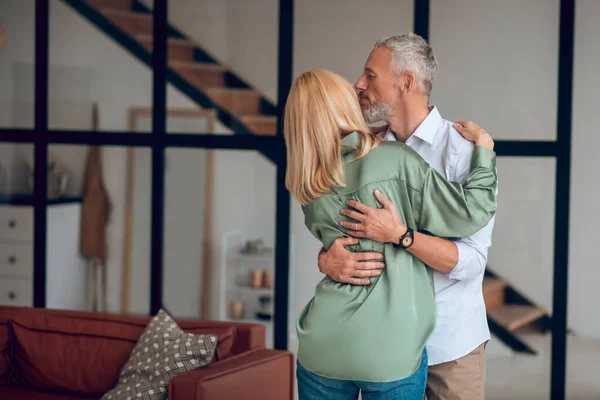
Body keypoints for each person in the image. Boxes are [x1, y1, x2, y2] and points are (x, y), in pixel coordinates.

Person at [284, 68, 497, 400]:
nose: (360, 85)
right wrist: (485, 150)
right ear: (343, 105)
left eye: (370, 75)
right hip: (391, 346)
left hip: (321, 342)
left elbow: (471, 261)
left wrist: (399, 234)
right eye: (353, 88)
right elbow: (472, 212)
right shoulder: (395, 158)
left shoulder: (307, 182)